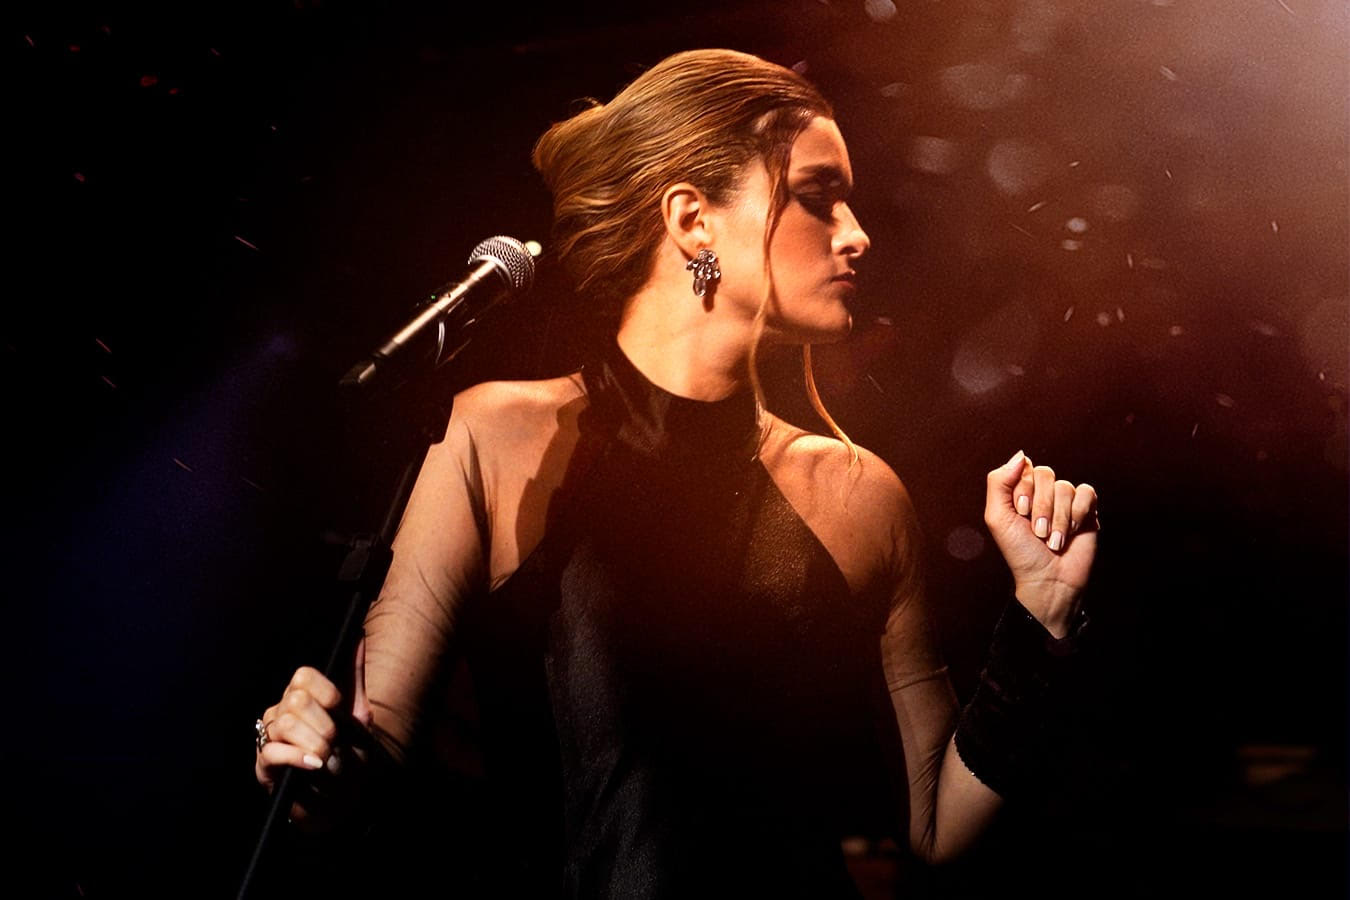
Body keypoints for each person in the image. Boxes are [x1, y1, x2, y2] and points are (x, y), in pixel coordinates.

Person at [253, 48, 1099, 897]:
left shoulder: (857, 493)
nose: (856, 233)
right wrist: (310, 759)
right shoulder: (497, 437)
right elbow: (372, 759)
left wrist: (1042, 614)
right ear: (694, 221)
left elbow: (936, 828)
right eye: (817, 196)